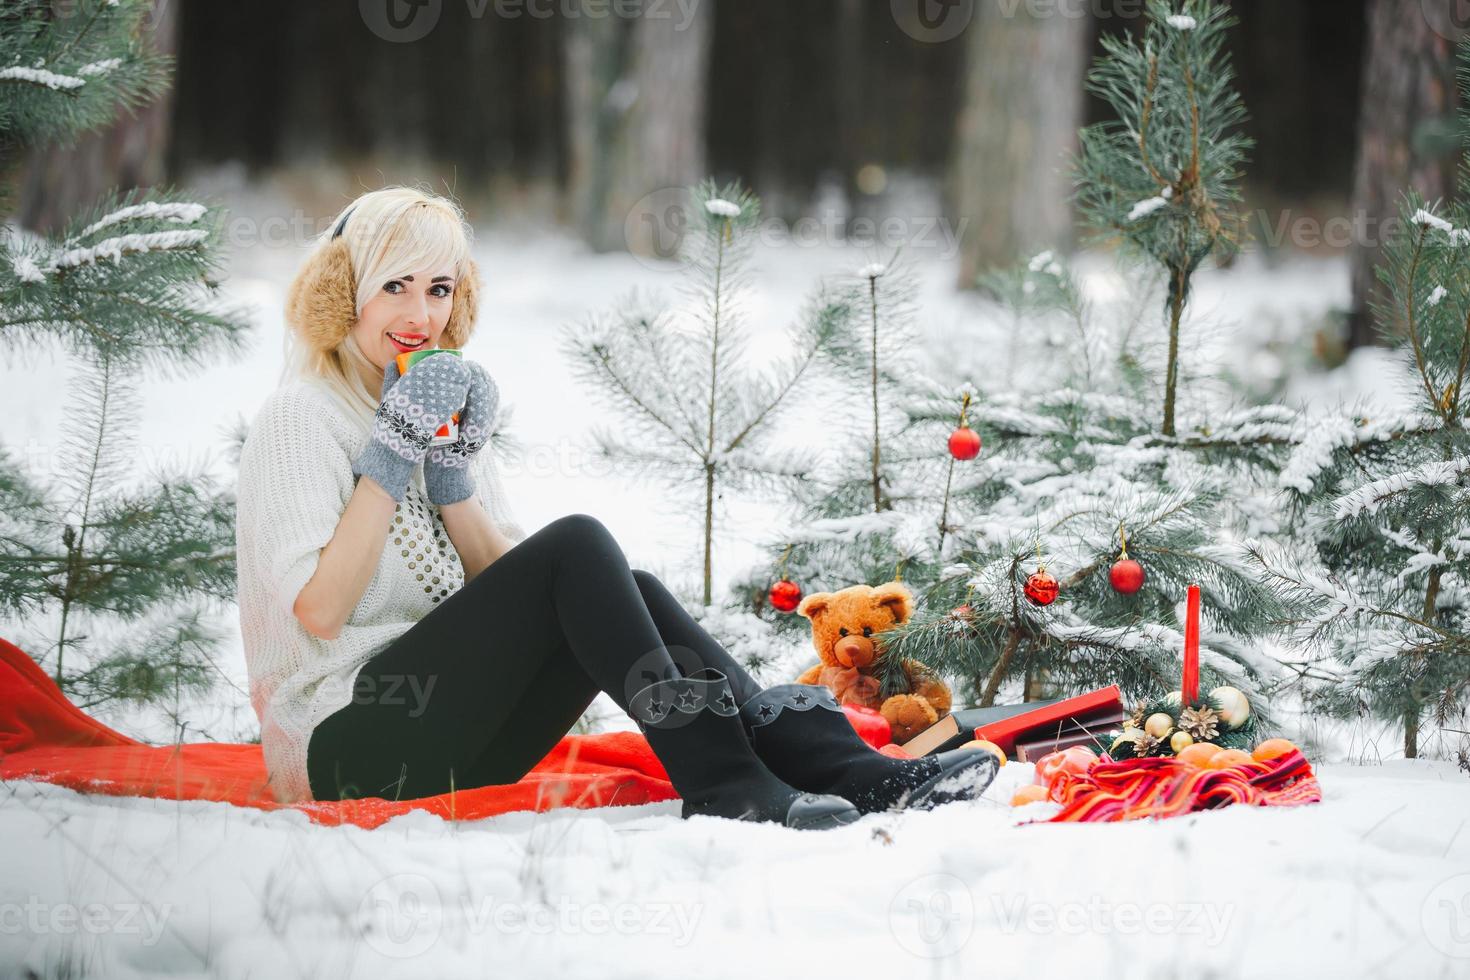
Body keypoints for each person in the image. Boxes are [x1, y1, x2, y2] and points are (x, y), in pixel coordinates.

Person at [234, 185, 998, 830]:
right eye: (394, 285)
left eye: (439, 290)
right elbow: (320, 614)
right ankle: (725, 778)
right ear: (345, 291)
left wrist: (451, 473)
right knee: (578, 544)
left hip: (455, 738)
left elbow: (506, 591)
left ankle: (836, 764)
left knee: (625, 582)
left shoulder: (428, 400)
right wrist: (392, 456)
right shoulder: (300, 417)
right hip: (343, 749)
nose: (420, 315)